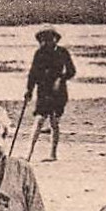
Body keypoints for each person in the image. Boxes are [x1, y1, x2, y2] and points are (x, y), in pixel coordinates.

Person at [24, 28, 76, 162]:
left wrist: (61, 79)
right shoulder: (39, 54)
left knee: (54, 122)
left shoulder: (62, 52)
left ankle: (53, 154)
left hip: (58, 92)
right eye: (42, 40)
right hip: (43, 91)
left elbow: (71, 71)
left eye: (48, 39)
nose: (45, 43)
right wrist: (29, 90)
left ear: (54, 40)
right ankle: (28, 154)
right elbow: (33, 73)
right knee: (39, 120)